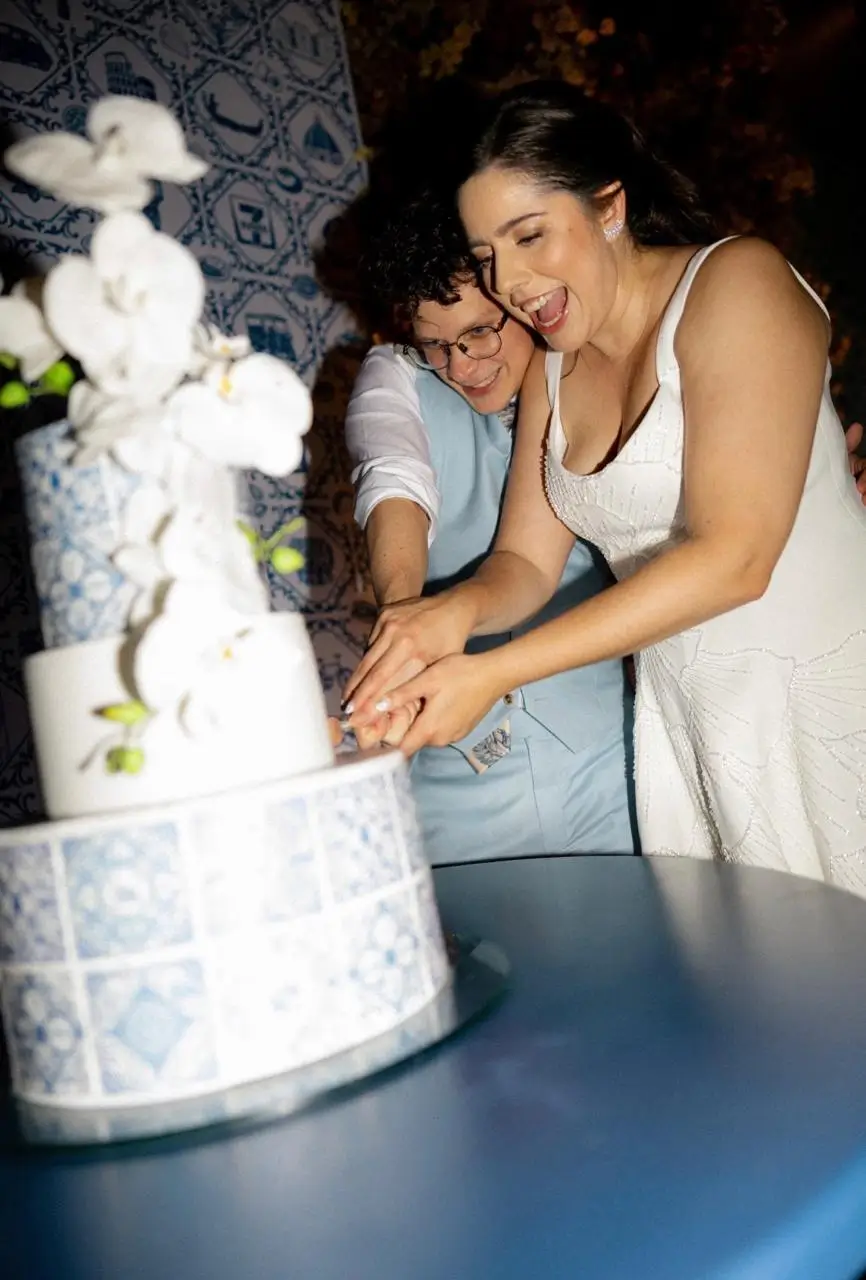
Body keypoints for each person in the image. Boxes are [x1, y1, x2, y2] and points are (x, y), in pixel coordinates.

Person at [345, 80, 866, 895]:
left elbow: (737, 556)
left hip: (826, 704)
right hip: (692, 731)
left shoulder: (737, 281)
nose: (510, 280)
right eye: (487, 256)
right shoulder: (555, 367)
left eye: (529, 236)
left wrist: (493, 672)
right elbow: (522, 560)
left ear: (610, 205)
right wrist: (441, 616)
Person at [340, 184, 637, 863]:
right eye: (435, 345)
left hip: (606, 761)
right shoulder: (398, 378)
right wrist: (406, 622)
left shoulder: (589, 375)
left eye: (477, 332)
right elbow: (393, 483)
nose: (461, 366)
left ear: (517, 302)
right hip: (459, 782)